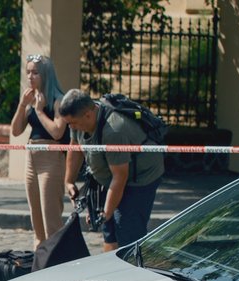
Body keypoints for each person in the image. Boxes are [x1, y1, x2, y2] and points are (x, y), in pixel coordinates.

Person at [59, 88, 164, 252]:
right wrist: (69, 181)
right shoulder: (76, 120)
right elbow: (75, 148)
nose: (71, 127)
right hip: (110, 173)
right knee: (109, 231)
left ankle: (136, 268)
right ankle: (110, 268)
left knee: (126, 227)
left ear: (88, 114)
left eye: (73, 123)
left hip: (141, 177)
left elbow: (120, 177)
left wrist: (106, 213)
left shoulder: (114, 130)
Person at [11, 54, 69, 250]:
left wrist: (40, 111)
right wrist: (22, 105)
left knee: (50, 215)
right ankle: (40, 254)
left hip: (51, 159)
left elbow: (57, 132)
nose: (30, 77)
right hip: (32, 156)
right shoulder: (32, 101)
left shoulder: (58, 101)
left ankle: (56, 256)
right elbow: (16, 130)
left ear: (45, 75)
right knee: (36, 216)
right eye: (28, 72)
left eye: (35, 73)